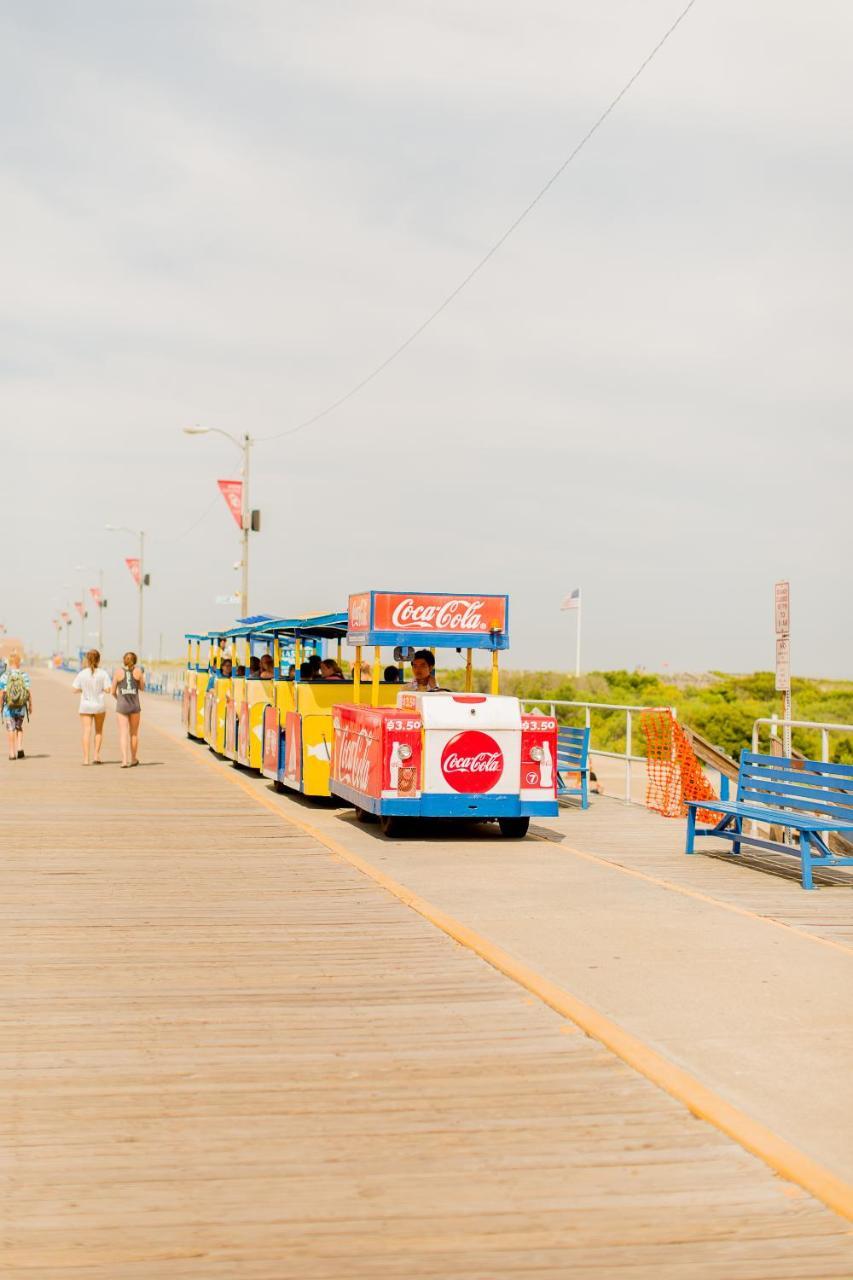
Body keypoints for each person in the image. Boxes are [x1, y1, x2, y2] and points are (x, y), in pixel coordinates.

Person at [72, 649, 111, 765]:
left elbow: (74, 689)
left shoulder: (82, 673)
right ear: (98, 660)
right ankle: (96, 756)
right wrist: (101, 689)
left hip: (85, 705)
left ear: (87, 660)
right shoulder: (103, 673)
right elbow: (108, 689)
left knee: (86, 731)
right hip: (99, 705)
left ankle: (85, 759)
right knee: (98, 731)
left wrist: (83, 689)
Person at [112, 651, 145, 768]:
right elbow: (142, 688)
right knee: (134, 734)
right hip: (135, 705)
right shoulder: (138, 672)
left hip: (122, 706)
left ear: (124, 660)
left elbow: (112, 691)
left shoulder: (118, 672)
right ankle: (133, 759)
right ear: (135, 660)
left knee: (123, 733)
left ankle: (124, 760)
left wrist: (119, 699)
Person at [0, 651, 32, 760]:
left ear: (9, 662)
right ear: (19, 662)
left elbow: (2, 693)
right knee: (19, 727)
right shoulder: (24, 675)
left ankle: (11, 753)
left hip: (8, 707)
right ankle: (19, 748)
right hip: (21, 707)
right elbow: (28, 692)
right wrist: (31, 705)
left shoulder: (5, 675)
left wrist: (0, 706)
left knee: (10, 729)